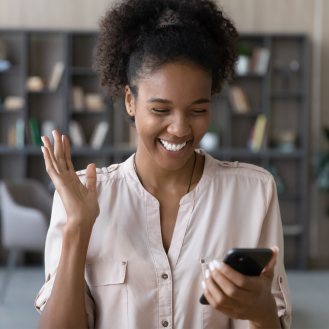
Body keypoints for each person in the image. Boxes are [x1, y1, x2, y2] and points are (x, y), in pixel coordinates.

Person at [35, 0, 291, 328]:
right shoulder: (82, 197)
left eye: (198, 110)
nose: (181, 129)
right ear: (130, 101)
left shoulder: (254, 192)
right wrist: (78, 228)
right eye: (160, 110)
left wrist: (260, 311)